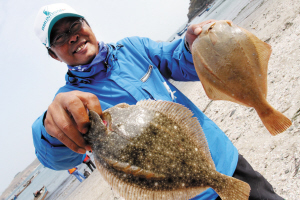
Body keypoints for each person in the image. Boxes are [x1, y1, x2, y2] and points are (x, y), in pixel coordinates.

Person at [31, 3, 283, 200]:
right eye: (59, 39)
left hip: (223, 161)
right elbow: (56, 158)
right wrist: (46, 128)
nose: (72, 37)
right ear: (54, 55)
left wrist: (192, 46)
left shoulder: (132, 48)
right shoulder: (69, 103)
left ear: (87, 24)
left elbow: (176, 59)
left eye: (74, 26)